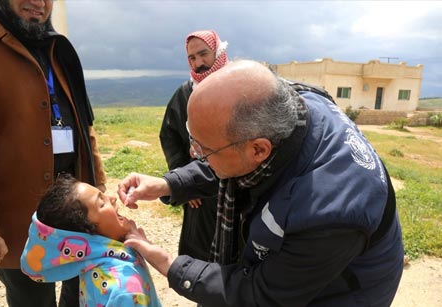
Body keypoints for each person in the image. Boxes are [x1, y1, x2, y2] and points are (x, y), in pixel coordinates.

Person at [119, 60, 404, 306]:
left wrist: (171, 265)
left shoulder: (329, 215)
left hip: (343, 293)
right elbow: (230, 163)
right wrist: (168, 184)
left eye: (203, 149)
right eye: (193, 139)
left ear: (259, 149)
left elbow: (262, 295)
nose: (194, 154)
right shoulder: (286, 107)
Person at [0, 1, 106, 306]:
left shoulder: (57, 49)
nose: (39, 3)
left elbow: (83, 124)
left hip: (75, 213)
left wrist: (100, 183)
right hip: (15, 223)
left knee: (79, 294)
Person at [20, 174, 162, 307]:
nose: (112, 198)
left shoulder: (92, 260)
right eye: (101, 204)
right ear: (87, 234)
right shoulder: (124, 292)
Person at [158, 30, 228, 261]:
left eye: (203, 54)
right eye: (192, 58)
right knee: (200, 256)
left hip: (234, 186)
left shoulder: (236, 85)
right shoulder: (186, 92)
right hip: (200, 192)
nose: (198, 63)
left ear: (217, 51)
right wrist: (184, 178)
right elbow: (169, 135)